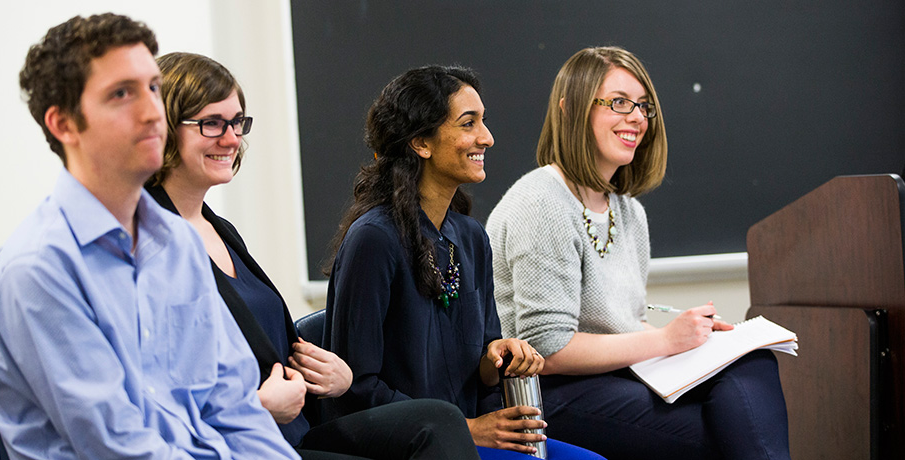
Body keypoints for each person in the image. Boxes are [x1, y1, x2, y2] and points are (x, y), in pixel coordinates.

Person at [0, 14, 298, 459]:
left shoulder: (177, 243)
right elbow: (120, 449)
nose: (154, 111)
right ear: (64, 125)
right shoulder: (38, 269)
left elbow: (236, 409)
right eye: (121, 94)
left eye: (153, 87)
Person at [145, 51, 478, 460]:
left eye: (236, 123)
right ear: (157, 128)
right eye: (211, 124)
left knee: (437, 421)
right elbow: (156, 396)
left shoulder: (220, 231)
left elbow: (266, 351)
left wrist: (333, 377)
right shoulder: (147, 246)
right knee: (441, 426)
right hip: (241, 444)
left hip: (290, 434)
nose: (232, 138)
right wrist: (257, 407)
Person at [486, 46, 791, 460]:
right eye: (619, 103)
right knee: (721, 434)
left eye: (644, 106)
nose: (637, 118)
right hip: (542, 395)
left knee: (751, 366)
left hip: (612, 379)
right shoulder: (542, 201)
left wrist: (695, 339)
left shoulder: (629, 213)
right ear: (570, 110)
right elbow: (548, 348)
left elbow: (621, 326)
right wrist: (666, 340)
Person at [323, 65, 605, 460]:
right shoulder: (374, 239)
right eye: (468, 123)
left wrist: (499, 356)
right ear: (421, 142)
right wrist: (465, 428)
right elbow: (355, 386)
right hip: (411, 443)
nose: (486, 138)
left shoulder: (470, 237)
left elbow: (482, 368)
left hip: (467, 431)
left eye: (483, 122)